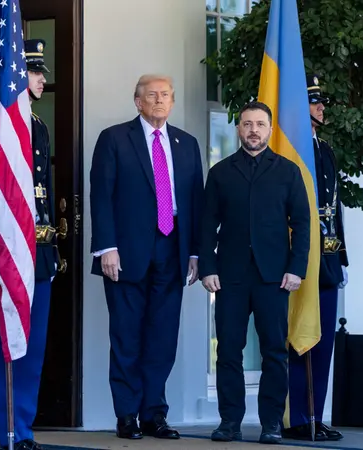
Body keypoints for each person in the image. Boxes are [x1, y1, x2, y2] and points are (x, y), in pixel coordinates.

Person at [89, 74, 204, 440]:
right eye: (151, 95)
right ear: (137, 102)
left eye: (165, 95)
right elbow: (101, 195)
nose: (159, 100)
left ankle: (154, 414)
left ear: (172, 102)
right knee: (126, 336)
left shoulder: (187, 143)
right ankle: (127, 415)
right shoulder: (114, 139)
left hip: (173, 249)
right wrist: (106, 247)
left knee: (162, 337)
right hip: (125, 253)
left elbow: (196, 202)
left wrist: (195, 252)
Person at [199, 101, 311, 445]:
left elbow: (303, 224)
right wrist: (207, 267)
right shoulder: (220, 172)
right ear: (238, 129)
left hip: (274, 277)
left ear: (270, 130)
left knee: (274, 352)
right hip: (229, 276)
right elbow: (206, 224)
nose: (253, 130)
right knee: (228, 351)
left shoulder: (288, 171)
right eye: (247, 124)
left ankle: (271, 423)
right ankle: (229, 422)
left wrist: (296, 269)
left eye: (260, 124)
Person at [0, 38, 58, 450]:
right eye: (34, 72)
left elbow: (43, 192)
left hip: (38, 252)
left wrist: (52, 250)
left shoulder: (38, 126)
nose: (40, 79)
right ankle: (1, 431)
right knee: (0, 344)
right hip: (4, 251)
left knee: (32, 346)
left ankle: (21, 429)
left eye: (39, 72)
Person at [282, 74, 349, 442]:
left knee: (322, 341)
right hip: (297, 257)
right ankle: (295, 418)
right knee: (297, 337)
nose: (322, 107)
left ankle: (314, 415)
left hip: (327, 258)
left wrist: (342, 257)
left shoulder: (325, 149)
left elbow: (334, 209)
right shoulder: (288, 152)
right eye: (314, 101)